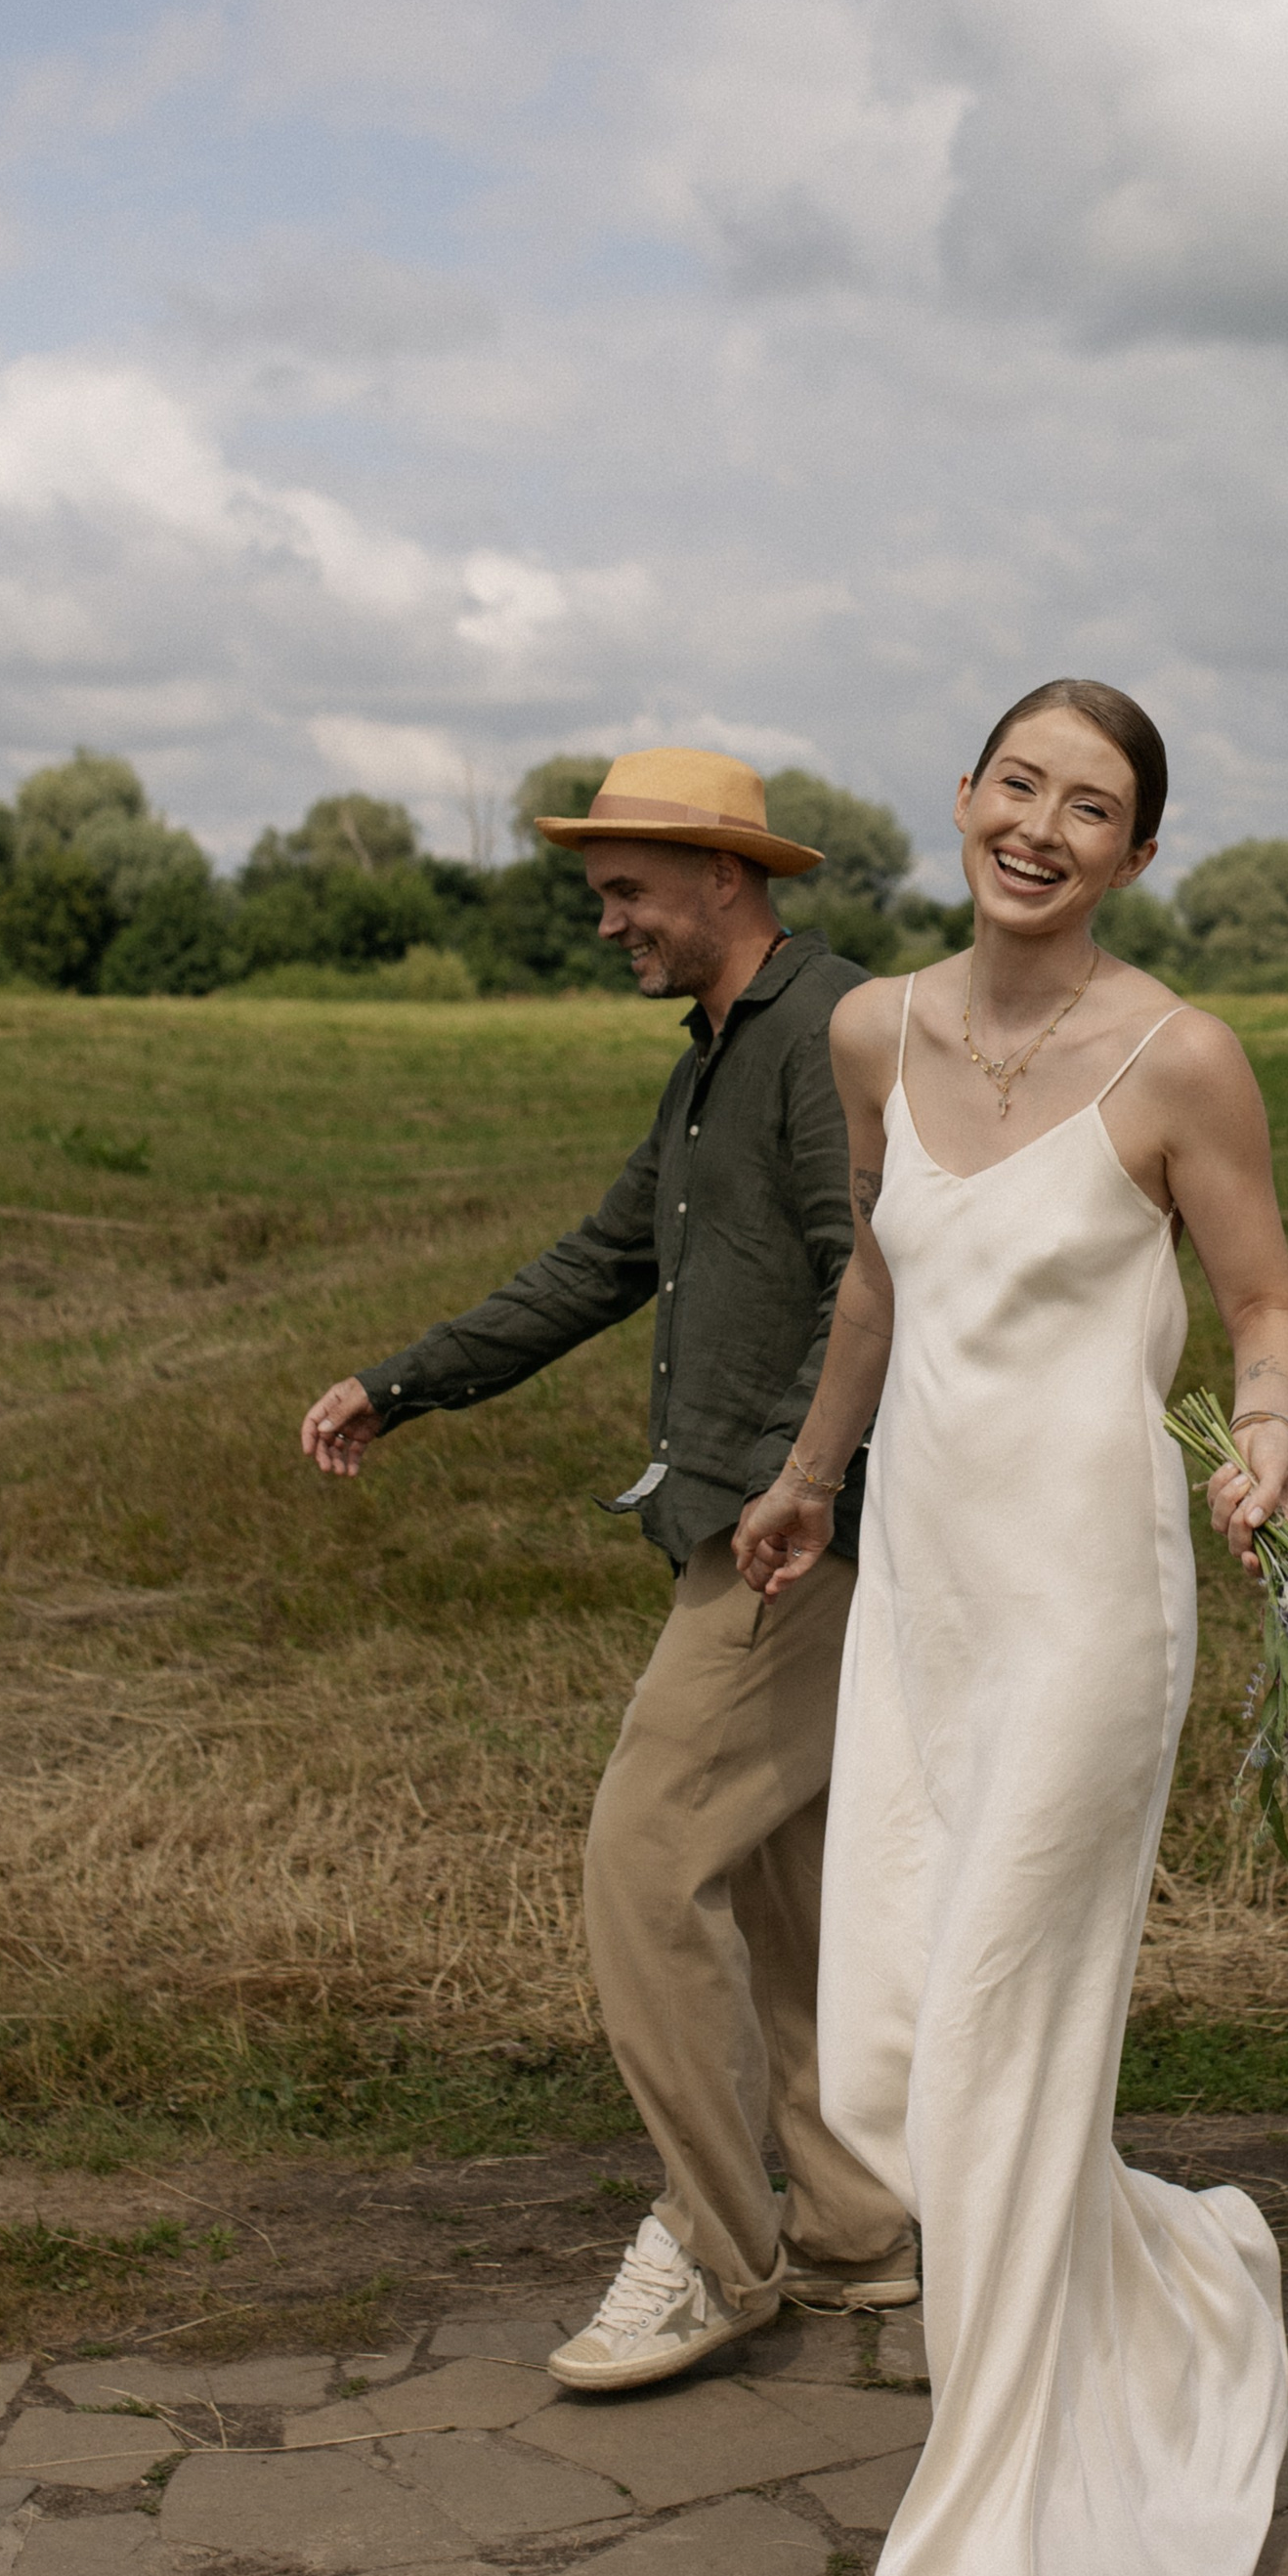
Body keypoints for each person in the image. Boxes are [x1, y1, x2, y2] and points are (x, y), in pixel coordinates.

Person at [733, 680, 1288, 2576]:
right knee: (897, 2072)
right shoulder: (870, 1031)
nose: (1041, 827)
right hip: (926, 1601)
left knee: (983, 2069)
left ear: (1135, 854)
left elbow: (1265, 1305)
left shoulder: (1179, 1060)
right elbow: (880, 1286)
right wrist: (811, 1477)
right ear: (965, 798)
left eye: (1091, 807)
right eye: (1017, 785)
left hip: (1084, 1614)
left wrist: (1265, 1428)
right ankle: (1193, 2281)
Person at [300, 745, 919, 2394]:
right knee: (776, 1891)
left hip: (799, 1539)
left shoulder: (825, 1034)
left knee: (645, 1859)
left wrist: (797, 1484)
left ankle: (719, 2250)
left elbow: (873, 1277)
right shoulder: (714, 1054)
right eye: (598, 894)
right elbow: (603, 1258)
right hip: (752, 1516)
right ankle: (862, 2228)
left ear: (726, 876)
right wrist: (403, 1381)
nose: (607, 922)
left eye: (627, 890)